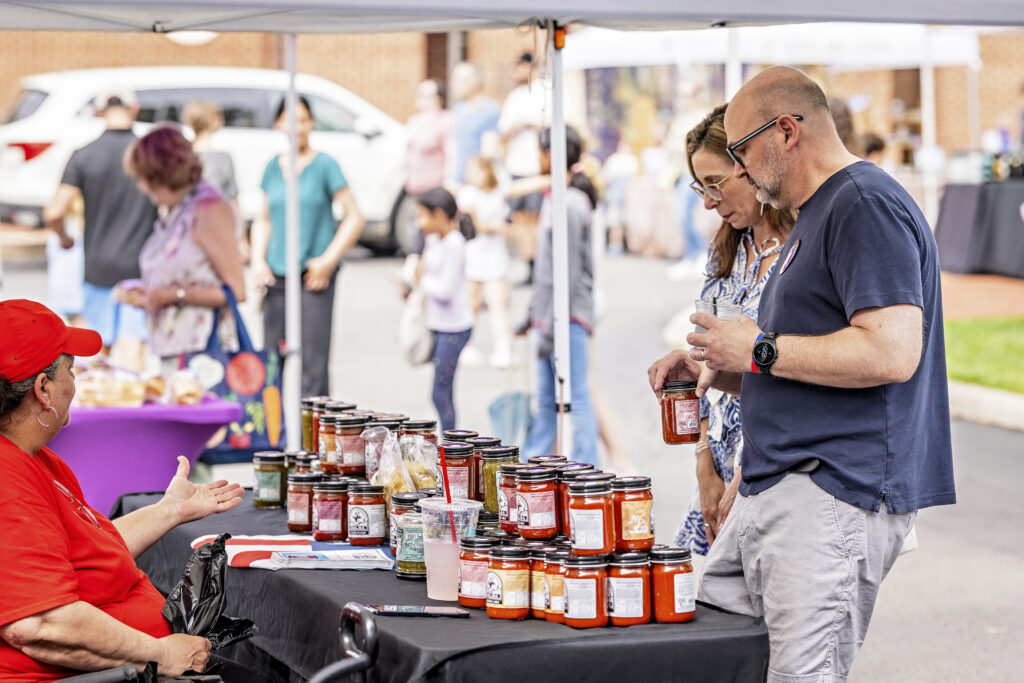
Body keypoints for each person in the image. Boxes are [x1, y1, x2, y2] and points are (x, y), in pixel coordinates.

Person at [648, 66, 955, 681]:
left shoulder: (863, 204)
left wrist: (757, 350)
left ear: (785, 131)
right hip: (780, 488)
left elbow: (892, 354)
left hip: (833, 489)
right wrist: (720, 369)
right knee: (715, 653)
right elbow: (809, 359)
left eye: (740, 150)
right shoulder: (819, 209)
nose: (738, 168)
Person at [0, 299, 252, 681]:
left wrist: (170, 510)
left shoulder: (34, 459)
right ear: (43, 389)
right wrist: (160, 653)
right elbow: (40, 623)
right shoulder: (9, 481)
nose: (75, 381)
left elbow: (90, 555)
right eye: (70, 370)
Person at [670, 104, 796, 555]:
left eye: (715, 184)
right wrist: (704, 466)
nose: (707, 201)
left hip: (777, 468)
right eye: (699, 187)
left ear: (750, 167)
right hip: (721, 466)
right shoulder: (726, 251)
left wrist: (745, 477)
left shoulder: (802, 252)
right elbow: (706, 366)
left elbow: (796, 376)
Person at [251, 96, 365, 397]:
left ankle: (313, 441)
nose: (297, 127)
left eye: (303, 120)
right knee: (271, 363)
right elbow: (263, 220)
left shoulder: (325, 165)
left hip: (313, 276)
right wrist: (258, 261)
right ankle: (273, 439)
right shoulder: (272, 168)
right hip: (277, 275)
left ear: (311, 124)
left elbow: (354, 217)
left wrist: (328, 260)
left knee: (314, 366)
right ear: (278, 124)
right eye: (290, 120)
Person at [44, 89, 156, 369]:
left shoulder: (83, 155)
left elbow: (54, 212)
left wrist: (65, 238)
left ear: (98, 111)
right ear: (134, 109)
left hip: (97, 268)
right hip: (141, 268)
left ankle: (96, 411)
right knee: (132, 352)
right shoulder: (150, 155)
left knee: (95, 355)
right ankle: (131, 412)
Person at [121, 125, 246, 373]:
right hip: (176, 350)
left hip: (204, 355)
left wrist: (171, 296)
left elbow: (236, 290)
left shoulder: (208, 208)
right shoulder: (179, 208)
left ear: (160, 174)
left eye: (143, 177)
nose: (141, 186)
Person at [521, 126, 599, 466]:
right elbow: (547, 269)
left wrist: (551, 329)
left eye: (540, 151)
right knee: (545, 400)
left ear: (552, 154)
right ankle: (532, 465)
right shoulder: (557, 198)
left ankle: (585, 469)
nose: (537, 158)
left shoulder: (568, 203)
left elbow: (565, 274)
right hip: (549, 315)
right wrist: (532, 314)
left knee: (576, 396)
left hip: (565, 316)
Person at [415, 188, 473, 431]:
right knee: (442, 390)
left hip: (454, 328)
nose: (419, 223)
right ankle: (449, 441)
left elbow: (445, 290)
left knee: (440, 392)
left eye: (423, 216)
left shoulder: (454, 244)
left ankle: (451, 443)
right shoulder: (434, 240)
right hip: (439, 325)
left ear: (439, 215)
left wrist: (420, 281)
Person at [458, 156, 513, 368]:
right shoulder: (467, 194)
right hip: (473, 255)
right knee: (471, 304)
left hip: (495, 257)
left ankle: (503, 348)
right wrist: (502, 228)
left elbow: (520, 187)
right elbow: (476, 223)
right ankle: (466, 347)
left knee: (497, 304)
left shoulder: (500, 192)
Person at [499, 52, 546, 285]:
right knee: (520, 219)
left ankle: (538, 264)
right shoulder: (514, 97)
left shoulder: (545, 93)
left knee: (535, 218)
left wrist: (531, 125)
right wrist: (516, 128)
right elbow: (503, 131)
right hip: (516, 164)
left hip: (536, 166)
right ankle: (529, 264)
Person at [450, 62, 501, 183]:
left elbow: (489, 151)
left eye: (459, 80)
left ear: (475, 82)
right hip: (457, 180)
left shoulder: (490, 110)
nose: (453, 84)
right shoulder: (457, 109)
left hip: (478, 182)